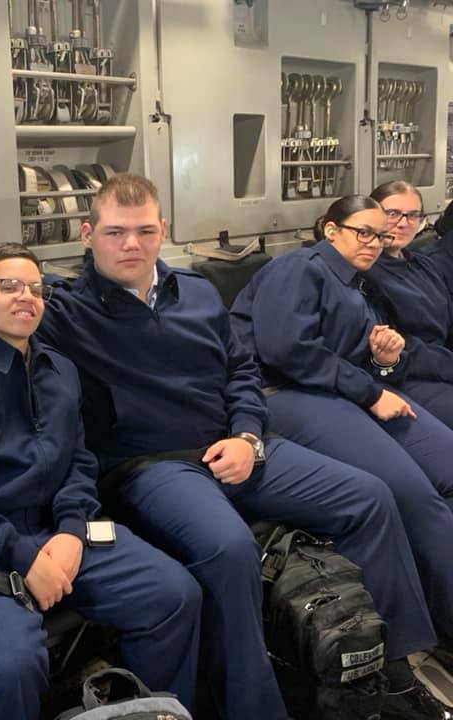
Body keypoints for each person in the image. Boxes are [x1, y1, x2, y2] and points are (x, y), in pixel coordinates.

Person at [0, 174, 440, 720]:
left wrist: (244, 434)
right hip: (150, 466)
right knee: (229, 547)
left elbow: (241, 371)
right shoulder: (65, 307)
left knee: (369, 498)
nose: (131, 244)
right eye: (115, 232)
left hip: (236, 443)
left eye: (145, 231)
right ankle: (252, 709)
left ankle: (389, 675)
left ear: (162, 231)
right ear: (88, 234)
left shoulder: (196, 292)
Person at [0, 243, 201, 720]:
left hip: (59, 533)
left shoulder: (61, 371)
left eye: (35, 288)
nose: (25, 297)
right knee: (9, 662)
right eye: (8, 286)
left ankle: (148, 711)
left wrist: (72, 530)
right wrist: (22, 555)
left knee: (172, 594)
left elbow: (79, 461)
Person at [231, 194, 453, 699]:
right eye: (363, 232)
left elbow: (362, 361)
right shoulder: (298, 269)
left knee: (447, 471)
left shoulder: (360, 287)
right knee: (407, 492)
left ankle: (442, 602)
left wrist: (383, 363)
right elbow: (286, 350)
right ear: (330, 230)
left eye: (381, 235)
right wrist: (371, 391)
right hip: (283, 396)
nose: (374, 243)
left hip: (342, 391)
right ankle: (412, 645)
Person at [364, 180, 453, 427]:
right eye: (392, 214)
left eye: (413, 215)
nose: (403, 223)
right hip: (406, 375)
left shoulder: (423, 265)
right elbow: (398, 345)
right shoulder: (366, 273)